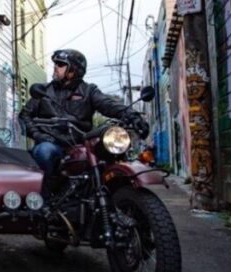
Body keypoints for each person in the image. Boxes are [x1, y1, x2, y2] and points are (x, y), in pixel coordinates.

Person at [19, 49, 149, 199]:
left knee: (110, 153)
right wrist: (38, 135)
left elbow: (107, 104)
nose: (55, 67)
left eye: (61, 64)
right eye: (55, 63)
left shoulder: (88, 90)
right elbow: (24, 115)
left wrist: (133, 116)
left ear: (73, 70)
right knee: (44, 152)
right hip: (52, 142)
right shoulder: (44, 91)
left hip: (82, 143)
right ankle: (44, 199)